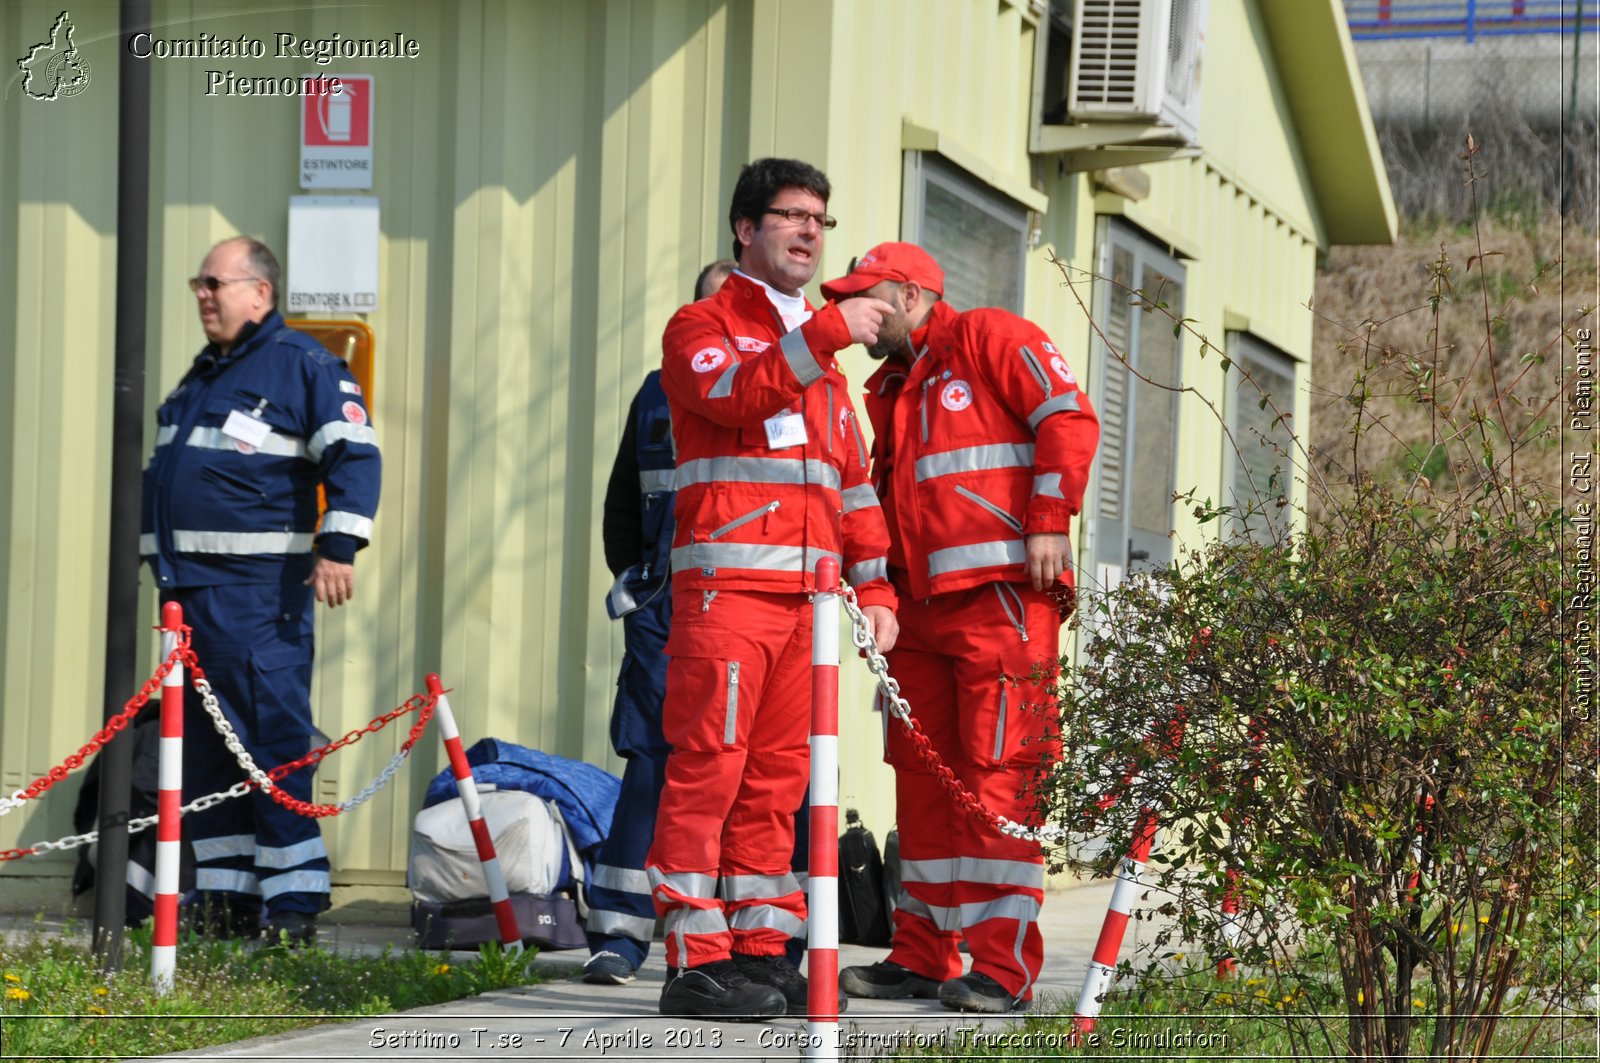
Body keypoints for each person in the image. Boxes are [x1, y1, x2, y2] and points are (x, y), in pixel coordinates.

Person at [646, 158, 901, 1020]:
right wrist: (826, 334)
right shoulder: (702, 324)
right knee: (708, 769)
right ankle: (694, 960)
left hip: (811, 607)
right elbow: (729, 396)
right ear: (745, 229)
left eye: (819, 220)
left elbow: (853, 488)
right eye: (789, 216)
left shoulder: (822, 364)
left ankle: (761, 948)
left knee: (777, 781)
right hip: (727, 591)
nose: (807, 231)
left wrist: (879, 591)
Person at [820, 242, 1099, 1013]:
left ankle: (1002, 969)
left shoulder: (989, 337)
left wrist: (1049, 518)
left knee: (998, 778)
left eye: (870, 300)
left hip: (1002, 604)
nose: (860, 319)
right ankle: (922, 953)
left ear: (912, 296)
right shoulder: (886, 385)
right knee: (924, 781)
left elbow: (1068, 419)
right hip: (918, 611)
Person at [138, 236, 381, 945]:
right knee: (210, 751)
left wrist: (339, 546)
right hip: (186, 599)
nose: (204, 295)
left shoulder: (300, 365)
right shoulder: (206, 375)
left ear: (260, 292)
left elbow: (356, 453)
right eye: (198, 284)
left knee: (272, 744)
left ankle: (293, 908)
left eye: (215, 282)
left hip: (255, 598)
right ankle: (226, 903)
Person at [582, 258, 736, 985]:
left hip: (744, 612)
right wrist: (637, 585)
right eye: (705, 306)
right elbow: (622, 503)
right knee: (649, 757)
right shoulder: (654, 391)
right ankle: (618, 932)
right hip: (663, 607)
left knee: (747, 772)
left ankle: (747, 940)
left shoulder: (781, 388)